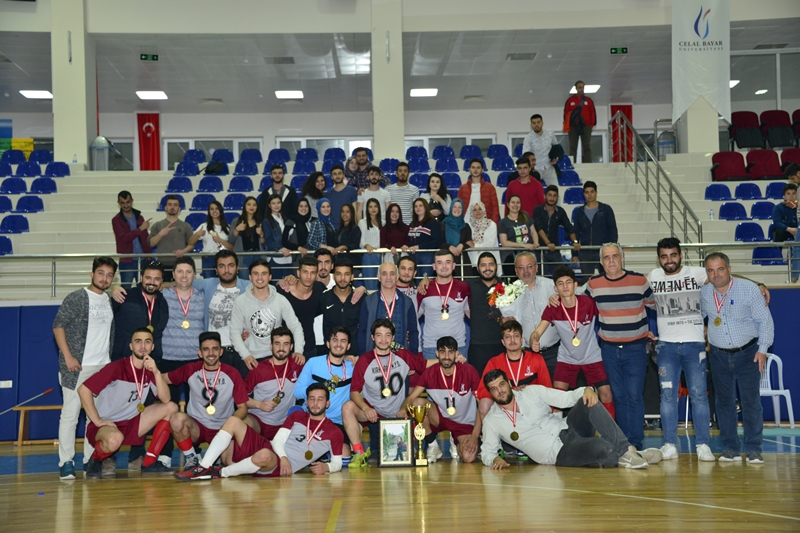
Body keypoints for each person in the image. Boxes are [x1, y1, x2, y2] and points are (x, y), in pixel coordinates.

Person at [480, 369, 660, 469]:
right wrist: (494, 459)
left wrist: (587, 390)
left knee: (587, 400)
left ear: (509, 383)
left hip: (568, 427)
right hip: (557, 452)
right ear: (490, 393)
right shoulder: (492, 421)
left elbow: (565, 398)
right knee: (602, 448)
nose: (500, 391)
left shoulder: (531, 391)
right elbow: (487, 451)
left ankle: (627, 451)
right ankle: (634, 456)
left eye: (501, 384)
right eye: (494, 388)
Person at [175, 383, 343, 480]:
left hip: (278, 465)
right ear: (306, 402)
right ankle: (203, 467)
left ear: (327, 403)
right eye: (312, 399)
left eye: (320, 399)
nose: (315, 403)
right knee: (234, 421)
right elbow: (278, 440)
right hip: (273, 449)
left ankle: (220, 473)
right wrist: (283, 456)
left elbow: (338, 463)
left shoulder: (335, 432)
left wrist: (327, 466)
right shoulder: (297, 416)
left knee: (262, 455)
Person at [577, 243, 655, 450]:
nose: (611, 261)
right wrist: (554, 296)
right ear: (601, 262)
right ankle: (624, 444)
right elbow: (576, 302)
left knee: (634, 397)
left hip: (636, 349)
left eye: (615, 256)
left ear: (622, 259)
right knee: (619, 398)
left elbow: (657, 306)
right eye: (606, 257)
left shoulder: (640, 281)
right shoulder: (593, 284)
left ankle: (635, 443)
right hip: (609, 349)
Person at [701, 252, 774, 464]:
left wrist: (762, 350)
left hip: (748, 354)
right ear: (706, 273)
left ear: (729, 269)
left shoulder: (749, 289)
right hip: (718, 355)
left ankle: (753, 449)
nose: (716, 274)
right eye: (711, 270)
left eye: (720, 269)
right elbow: (698, 318)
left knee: (751, 402)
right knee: (724, 403)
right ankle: (730, 449)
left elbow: (765, 321)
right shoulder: (704, 293)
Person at [647, 238, 715, 462]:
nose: (669, 260)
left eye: (673, 255)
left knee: (699, 396)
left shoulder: (696, 273)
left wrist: (758, 284)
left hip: (694, 345)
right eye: (664, 256)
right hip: (666, 346)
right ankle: (669, 445)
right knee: (667, 397)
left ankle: (703, 445)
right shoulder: (653, 276)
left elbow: (723, 276)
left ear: (681, 255)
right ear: (659, 258)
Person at [78, 328, 178, 477]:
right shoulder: (116, 367)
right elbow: (83, 389)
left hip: (132, 422)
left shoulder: (149, 370)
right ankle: (96, 459)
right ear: (131, 346)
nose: (142, 346)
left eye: (147, 342)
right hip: (108, 424)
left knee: (171, 407)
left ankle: (149, 462)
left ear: (152, 347)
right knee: (114, 440)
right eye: (138, 342)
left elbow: (166, 399)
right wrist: (97, 420)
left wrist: (157, 373)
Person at [53, 257, 117, 480]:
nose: (104, 278)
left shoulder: (108, 300)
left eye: (109, 275)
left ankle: (90, 460)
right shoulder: (77, 297)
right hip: (77, 367)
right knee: (70, 415)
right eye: (101, 273)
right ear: (92, 274)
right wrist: (68, 357)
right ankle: (66, 462)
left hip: (102, 367)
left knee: (95, 417)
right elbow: (58, 326)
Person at [342, 319, 429, 468]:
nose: (383, 339)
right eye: (379, 335)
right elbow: (354, 391)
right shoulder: (364, 360)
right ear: (372, 337)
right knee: (347, 407)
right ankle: (359, 453)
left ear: (393, 337)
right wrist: (365, 408)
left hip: (399, 411)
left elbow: (426, 365)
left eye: (387, 335)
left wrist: (453, 359)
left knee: (420, 403)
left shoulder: (403, 355)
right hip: (374, 412)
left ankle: (428, 445)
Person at [530, 266, 614, 416]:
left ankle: (609, 430)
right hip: (567, 358)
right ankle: (556, 429)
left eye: (568, 282)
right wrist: (533, 340)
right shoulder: (553, 307)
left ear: (575, 285)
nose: (565, 286)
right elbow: (537, 332)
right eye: (560, 283)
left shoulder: (588, 303)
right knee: (557, 398)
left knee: (606, 394)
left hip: (591, 356)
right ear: (555, 288)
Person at [165, 331, 249, 470]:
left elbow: (243, 408)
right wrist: (150, 373)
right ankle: (191, 458)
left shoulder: (232, 373)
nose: (211, 353)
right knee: (176, 419)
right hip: (197, 427)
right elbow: (163, 378)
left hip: (223, 428)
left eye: (215, 349)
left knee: (230, 464)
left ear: (221, 352)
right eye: (206, 349)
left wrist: (229, 425)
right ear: (200, 353)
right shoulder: (191, 369)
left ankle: (218, 457)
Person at [403, 336, 482, 463]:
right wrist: (402, 409)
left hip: (463, 423)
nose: (446, 356)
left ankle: (455, 439)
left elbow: (482, 406)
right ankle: (433, 445)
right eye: (442, 352)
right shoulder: (430, 373)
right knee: (417, 403)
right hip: (440, 417)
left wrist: (474, 435)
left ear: (456, 354)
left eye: (450, 352)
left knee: (468, 457)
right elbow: (411, 398)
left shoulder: (469, 371)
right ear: (437, 353)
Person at [294, 327, 356, 465]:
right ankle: (321, 452)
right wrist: (319, 391)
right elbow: (297, 391)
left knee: (345, 457)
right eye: (335, 340)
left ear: (348, 346)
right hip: (313, 418)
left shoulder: (352, 367)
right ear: (328, 343)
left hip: (337, 423)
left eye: (343, 341)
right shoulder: (313, 363)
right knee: (302, 457)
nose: (338, 344)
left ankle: (324, 452)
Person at [229, 260, 304, 371]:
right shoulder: (240, 301)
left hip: (276, 357)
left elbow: (295, 327)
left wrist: (298, 351)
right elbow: (234, 332)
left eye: (264, 274)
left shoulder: (280, 300)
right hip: (250, 358)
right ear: (250, 277)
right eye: (256, 273)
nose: (260, 277)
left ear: (270, 277)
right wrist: (245, 355)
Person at [191, 250, 251, 377]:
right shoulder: (209, 284)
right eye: (222, 266)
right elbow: (183, 281)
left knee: (243, 388)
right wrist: (163, 285)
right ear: (216, 270)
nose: (227, 270)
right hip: (216, 353)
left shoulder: (248, 287)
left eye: (231, 265)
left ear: (237, 268)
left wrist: (285, 282)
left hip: (242, 350)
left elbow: (269, 289)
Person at [476, 319, 552, 418]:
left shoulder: (537, 359)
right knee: (484, 404)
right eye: (508, 337)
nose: (512, 340)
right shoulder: (494, 363)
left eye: (516, 336)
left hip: (531, 404)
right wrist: (510, 392)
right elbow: (482, 391)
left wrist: (528, 391)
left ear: (522, 340)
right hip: (505, 406)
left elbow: (547, 388)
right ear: (503, 342)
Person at [503, 252, 559, 381]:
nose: (526, 271)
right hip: (527, 354)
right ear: (516, 271)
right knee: (531, 391)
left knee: (556, 391)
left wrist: (559, 296)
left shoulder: (552, 286)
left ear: (536, 267)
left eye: (529, 266)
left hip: (554, 353)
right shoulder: (509, 293)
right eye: (521, 268)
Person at [159, 257, 206, 405]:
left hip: (195, 359)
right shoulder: (162, 295)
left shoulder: (203, 297)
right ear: (173, 274)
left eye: (188, 272)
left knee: (196, 406)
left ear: (194, 274)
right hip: (168, 359)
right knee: (169, 405)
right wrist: (115, 289)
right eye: (180, 271)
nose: (184, 276)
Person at [243, 327, 305, 440]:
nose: (281, 348)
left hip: (285, 425)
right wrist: (259, 405)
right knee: (241, 425)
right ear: (271, 346)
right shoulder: (259, 370)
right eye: (277, 344)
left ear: (291, 347)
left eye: (286, 344)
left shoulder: (297, 364)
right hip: (259, 420)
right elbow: (239, 398)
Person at [111, 260, 169, 362]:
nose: (152, 282)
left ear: (162, 281)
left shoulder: (163, 303)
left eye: (157, 279)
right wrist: (113, 288)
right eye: (148, 278)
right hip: (122, 359)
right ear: (141, 277)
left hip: (149, 361)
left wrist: (156, 358)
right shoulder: (124, 296)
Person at [417, 249, 470, 360]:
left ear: (454, 265)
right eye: (440, 263)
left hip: (458, 347)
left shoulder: (464, 288)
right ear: (434, 266)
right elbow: (414, 317)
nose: (444, 266)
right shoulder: (424, 288)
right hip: (431, 347)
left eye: (448, 262)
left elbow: (471, 315)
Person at [358, 262, 419, 354]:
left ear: (397, 276)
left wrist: (413, 356)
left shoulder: (407, 302)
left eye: (392, 273)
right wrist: (362, 356)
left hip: (401, 356)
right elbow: (362, 331)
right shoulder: (368, 301)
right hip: (374, 356)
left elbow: (413, 332)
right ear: (378, 277)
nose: (388, 277)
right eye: (384, 274)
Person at [277, 256, 326, 359]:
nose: (308, 276)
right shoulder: (283, 291)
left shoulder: (320, 289)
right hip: (285, 348)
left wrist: (360, 289)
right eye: (305, 272)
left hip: (310, 347)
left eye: (312, 273)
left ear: (317, 275)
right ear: (298, 273)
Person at [465, 252, 505, 375]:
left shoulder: (507, 287)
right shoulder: (468, 286)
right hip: (478, 346)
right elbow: (447, 284)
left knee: (503, 383)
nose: (487, 268)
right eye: (483, 265)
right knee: (478, 384)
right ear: (477, 268)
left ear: (496, 266)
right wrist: (426, 280)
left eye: (491, 264)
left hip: (502, 345)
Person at [572, 181, 617, 280]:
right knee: (587, 283)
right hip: (585, 252)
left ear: (596, 193)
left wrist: (612, 250)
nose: (589, 195)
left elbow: (613, 231)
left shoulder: (606, 209)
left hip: (603, 251)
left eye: (592, 192)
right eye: (587, 192)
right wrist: (574, 253)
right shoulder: (580, 212)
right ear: (583, 194)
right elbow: (576, 233)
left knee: (608, 279)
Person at [148, 195, 195, 282]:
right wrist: (160, 234)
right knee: (162, 288)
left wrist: (183, 251)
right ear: (165, 207)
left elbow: (192, 244)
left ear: (179, 209)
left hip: (180, 265)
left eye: (175, 205)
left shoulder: (185, 226)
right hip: (162, 264)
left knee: (180, 288)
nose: (172, 207)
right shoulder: (157, 225)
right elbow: (150, 243)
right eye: (170, 204)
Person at [533, 185, 579, 276]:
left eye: (554, 196)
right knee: (541, 278)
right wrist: (548, 243)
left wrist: (575, 242)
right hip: (539, 250)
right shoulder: (537, 210)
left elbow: (569, 227)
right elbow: (539, 228)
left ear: (557, 198)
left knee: (561, 276)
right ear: (545, 196)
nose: (552, 198)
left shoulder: (560, 211)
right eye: (550, 195)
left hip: (554, 250)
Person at [321, 259, 363, 356]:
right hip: (331, 355)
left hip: (355, 356)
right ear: (333, 276)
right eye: (339, 274)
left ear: (352, 277)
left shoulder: (362, 299)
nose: (342, 278)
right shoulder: (324, 298)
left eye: (346, 274)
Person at [112, 191, 152, 288]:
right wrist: (140, 229)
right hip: (127, 261)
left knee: (144, 289)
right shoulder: (116, 220)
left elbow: (145, 237)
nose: (126, 205)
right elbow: (124, 238)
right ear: (118, 203)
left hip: (143, 260)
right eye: (123, 203)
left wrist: (148, 254)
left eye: (128, 202)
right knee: (126, 291)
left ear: (132, 201)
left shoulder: (139, 217)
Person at [498, 194, 538, 277]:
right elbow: (504, 243)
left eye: (518, 203)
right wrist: (523, 245)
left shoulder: (525, 216)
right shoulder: (503, 223)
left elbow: (533, 232)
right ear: (508, 204)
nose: (515, 205)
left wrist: (536, 243)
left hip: (528, 255)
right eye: (513, 202)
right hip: (510, 258)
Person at [192, 200, 233, 278]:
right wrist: (197, 234)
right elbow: (190, 242)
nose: (214, 211)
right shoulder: (204, 226)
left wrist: (221, 240)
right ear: (209, 211)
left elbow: (232, 248)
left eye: (216, 208)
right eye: (212, 209)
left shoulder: (228, 227)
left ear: (220, 210)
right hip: (208, 258)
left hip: (224, 258)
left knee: (224, 281)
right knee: (209, 283)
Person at [228, 196, 264, 279]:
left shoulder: (259, 221)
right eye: (249, 204)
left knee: (258, 280)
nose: (251, 207)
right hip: (243, 256)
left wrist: (261, 234)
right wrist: (237, 229)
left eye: (254, 205)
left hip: (258, 255)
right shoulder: (237, 220)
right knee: (244, 282)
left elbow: (263, 243)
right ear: (244, 206)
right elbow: (231, 240)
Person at [408, 198, 444, 278]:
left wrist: (419, 246)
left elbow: (437, 241)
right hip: (412, 256)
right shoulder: (412, 224)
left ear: (425, 207)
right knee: (415, 282)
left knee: (426, 282)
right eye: (416, 206)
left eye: (420, 206)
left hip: (427, 256)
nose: (418, 208)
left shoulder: (433, 223)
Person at [261, 193, 293, 281]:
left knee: (290, 285)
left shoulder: (286, 219)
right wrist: (281, 249)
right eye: (273, 203)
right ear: (269, 205)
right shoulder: (266, 221)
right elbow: (268, 241)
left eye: (278, 203)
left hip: (288, 258)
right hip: (275, 258)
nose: (276, 205)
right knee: (276, 285)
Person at [563, 80, 597, 164]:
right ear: (576, 88)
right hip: (573, 126)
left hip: (586, 125)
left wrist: (591, 124)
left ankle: (588, 164)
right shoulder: (570, 100)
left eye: (583, 87)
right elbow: (566, 114)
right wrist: (568, 125)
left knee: (586, 146)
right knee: (573, 146)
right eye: (579, 87)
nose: (581, 89)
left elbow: (592, 113)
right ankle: (572, 164)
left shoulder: (589, 100)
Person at [457, 158, 500, 223]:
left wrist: (494, 224)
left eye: (478, 168)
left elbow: (495, 209)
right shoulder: (463, 188)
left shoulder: (490, 188)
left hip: (484, 223)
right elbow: (458, 207)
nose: (475, 170)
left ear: (482, 170)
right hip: (466, 222)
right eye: (473, 167)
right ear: (469, 170)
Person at [522, 114, 560, 186]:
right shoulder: (528, 138)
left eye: (538, 122)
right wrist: (531, 167)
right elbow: (526, 154)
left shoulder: (550, 133)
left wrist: (556, 158)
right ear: (531, 125)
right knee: (533, 190)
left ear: (542, 123)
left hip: (549, 167)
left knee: (555, 189)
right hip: (535, 169)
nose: (536, 125)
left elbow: (557, 147)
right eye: (534, 123)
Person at [771, 182, 798, 283]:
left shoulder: (799, 207)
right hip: (785, 230)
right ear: (784, 196)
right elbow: (777, 222)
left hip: (798, 230)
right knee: (779, 232)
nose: (791, 196)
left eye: (793, 193)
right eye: (788, 194)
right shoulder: (778, 207)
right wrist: (789, 229)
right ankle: (777, 257)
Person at [466, 201, 501, 270]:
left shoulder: (491, 225)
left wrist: (475, 246)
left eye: (480, 209)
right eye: (474, 210)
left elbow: (490, 244)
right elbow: (468, 243)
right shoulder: (468, 226)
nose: (477, 211)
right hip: (473, 262)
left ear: (484, 210)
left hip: (489, 260)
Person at [443, 198, 473, 275]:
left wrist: (462, 245)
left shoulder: (466, 226)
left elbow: (470, 243)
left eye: (460, 207)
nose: (457, 209)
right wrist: (449, 246)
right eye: (455, 207)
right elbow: (439, 243)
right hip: (446, 261)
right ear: (451, 208)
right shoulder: (442, 225)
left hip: (462, 261)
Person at [358, 198, 383, 290]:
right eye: (370, 207)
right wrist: (367, 245)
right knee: (370, 286)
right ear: (367, 209)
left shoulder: (384, 222)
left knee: (382, 285)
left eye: (375, 206)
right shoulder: (362, 222)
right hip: (369, 256)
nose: (373, 209)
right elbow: (361, 242)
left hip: (382, 256)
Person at [325, 164, 358, 229]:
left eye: (339, 173)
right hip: (333, 228)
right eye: (335, 174)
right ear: (332, 177)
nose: (337, 176)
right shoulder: (328, 195)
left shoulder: (352, 190)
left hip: (348, 228)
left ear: (343, 175)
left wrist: (355, 227)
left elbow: (355, 211)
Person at [282, 197, 313, 267]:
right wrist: (298, 248)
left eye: (306, 206)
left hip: (311, 258)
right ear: (297, 207)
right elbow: (284, 241)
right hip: (296, 259)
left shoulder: (312, 221)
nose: (304, 208)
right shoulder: (290, 222)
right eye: (301, 206)